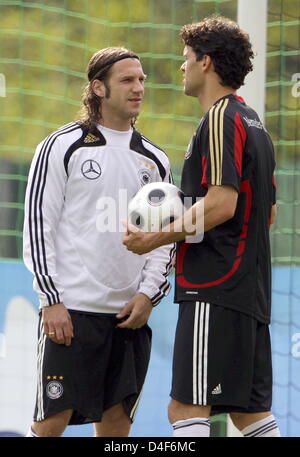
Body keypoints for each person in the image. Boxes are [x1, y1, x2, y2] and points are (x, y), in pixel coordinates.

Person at [123, 16, 280, 437]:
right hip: (251, 290)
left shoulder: (219, 118)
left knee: (184, 408)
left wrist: (152, 238)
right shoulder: (254, 123)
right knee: (249, 414)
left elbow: (222, 204)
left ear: (206, 62)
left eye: (186, 58)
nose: (181, 67)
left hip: (215, 286)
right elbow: (268, 215)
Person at [23, 47, 175, 437]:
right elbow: (38, 227)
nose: (138, 87)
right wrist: (50, 300)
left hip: (128, 318)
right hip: (70, 313)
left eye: (141, 79)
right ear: (98, 87)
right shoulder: (61, 146)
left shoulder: (155, 159)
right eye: (127, 80)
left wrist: (147, 296)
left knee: (116, 429)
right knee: (49, 425)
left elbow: (164, 240)